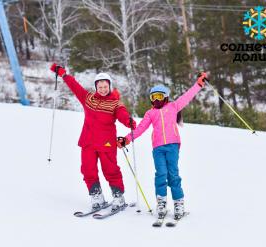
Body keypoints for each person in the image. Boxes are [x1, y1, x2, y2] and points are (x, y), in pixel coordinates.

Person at [117, 72, 207, 219]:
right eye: (153, 97)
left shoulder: (173, 106)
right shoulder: (150, 113)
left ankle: (178, 203)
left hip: (172, 147)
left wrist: (198, 84)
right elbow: (139, 129)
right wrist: (126, 139)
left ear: (165, 97)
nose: (156, 100)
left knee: (173, 175)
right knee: (161, 174)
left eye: (159, 96)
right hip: (158, 149)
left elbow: (187, 96)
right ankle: (161, 203)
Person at [50, 63, 136, 211]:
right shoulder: (88, 99)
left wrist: (129, 121)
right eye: (100, 86)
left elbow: (122, 114)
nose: (103, 89)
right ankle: (96, 196)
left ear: (109, 86)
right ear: (96, 87)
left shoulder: (115, 103)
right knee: (87, 169)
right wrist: (63, 74)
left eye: (105, 86)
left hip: (106, 143)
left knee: (110, 169)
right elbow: (74, 86)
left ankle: (118, 197)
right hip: (88, 142)